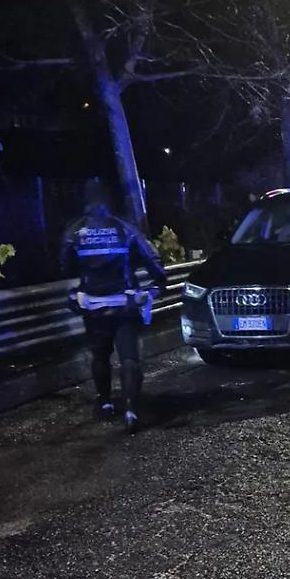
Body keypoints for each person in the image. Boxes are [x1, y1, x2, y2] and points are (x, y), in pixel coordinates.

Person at [61, 182, 168, 433]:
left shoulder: (74, 232)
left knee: (100, 356)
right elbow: (157, 270)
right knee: (129, 358)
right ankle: (131, 410)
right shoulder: (126, 229)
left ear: (85, 202)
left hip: (93, 306)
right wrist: (151, 291)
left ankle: (105, 402)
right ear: (110, 203)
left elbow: (65, 266)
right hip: (125, 305)